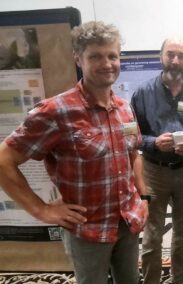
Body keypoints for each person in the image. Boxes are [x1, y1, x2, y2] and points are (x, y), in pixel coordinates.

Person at [0, 21, 148, 284]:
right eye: (96, 56)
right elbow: (4, 160)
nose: (107, 63)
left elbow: (133, 154)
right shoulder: (56, 111)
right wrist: (41, 210)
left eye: (112, 55)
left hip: (127, 222)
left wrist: (143, 197)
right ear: (78, 59)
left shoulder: (124, 107)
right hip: (88, 231)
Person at [131, 36, 183, 284]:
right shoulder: (143, 92)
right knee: (152, 235)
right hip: (153, 172)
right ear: (161, 56)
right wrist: (154, 142)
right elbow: (131, 137)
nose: (175, 61)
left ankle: (180, 279)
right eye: (171, 55)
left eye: (181, 56)